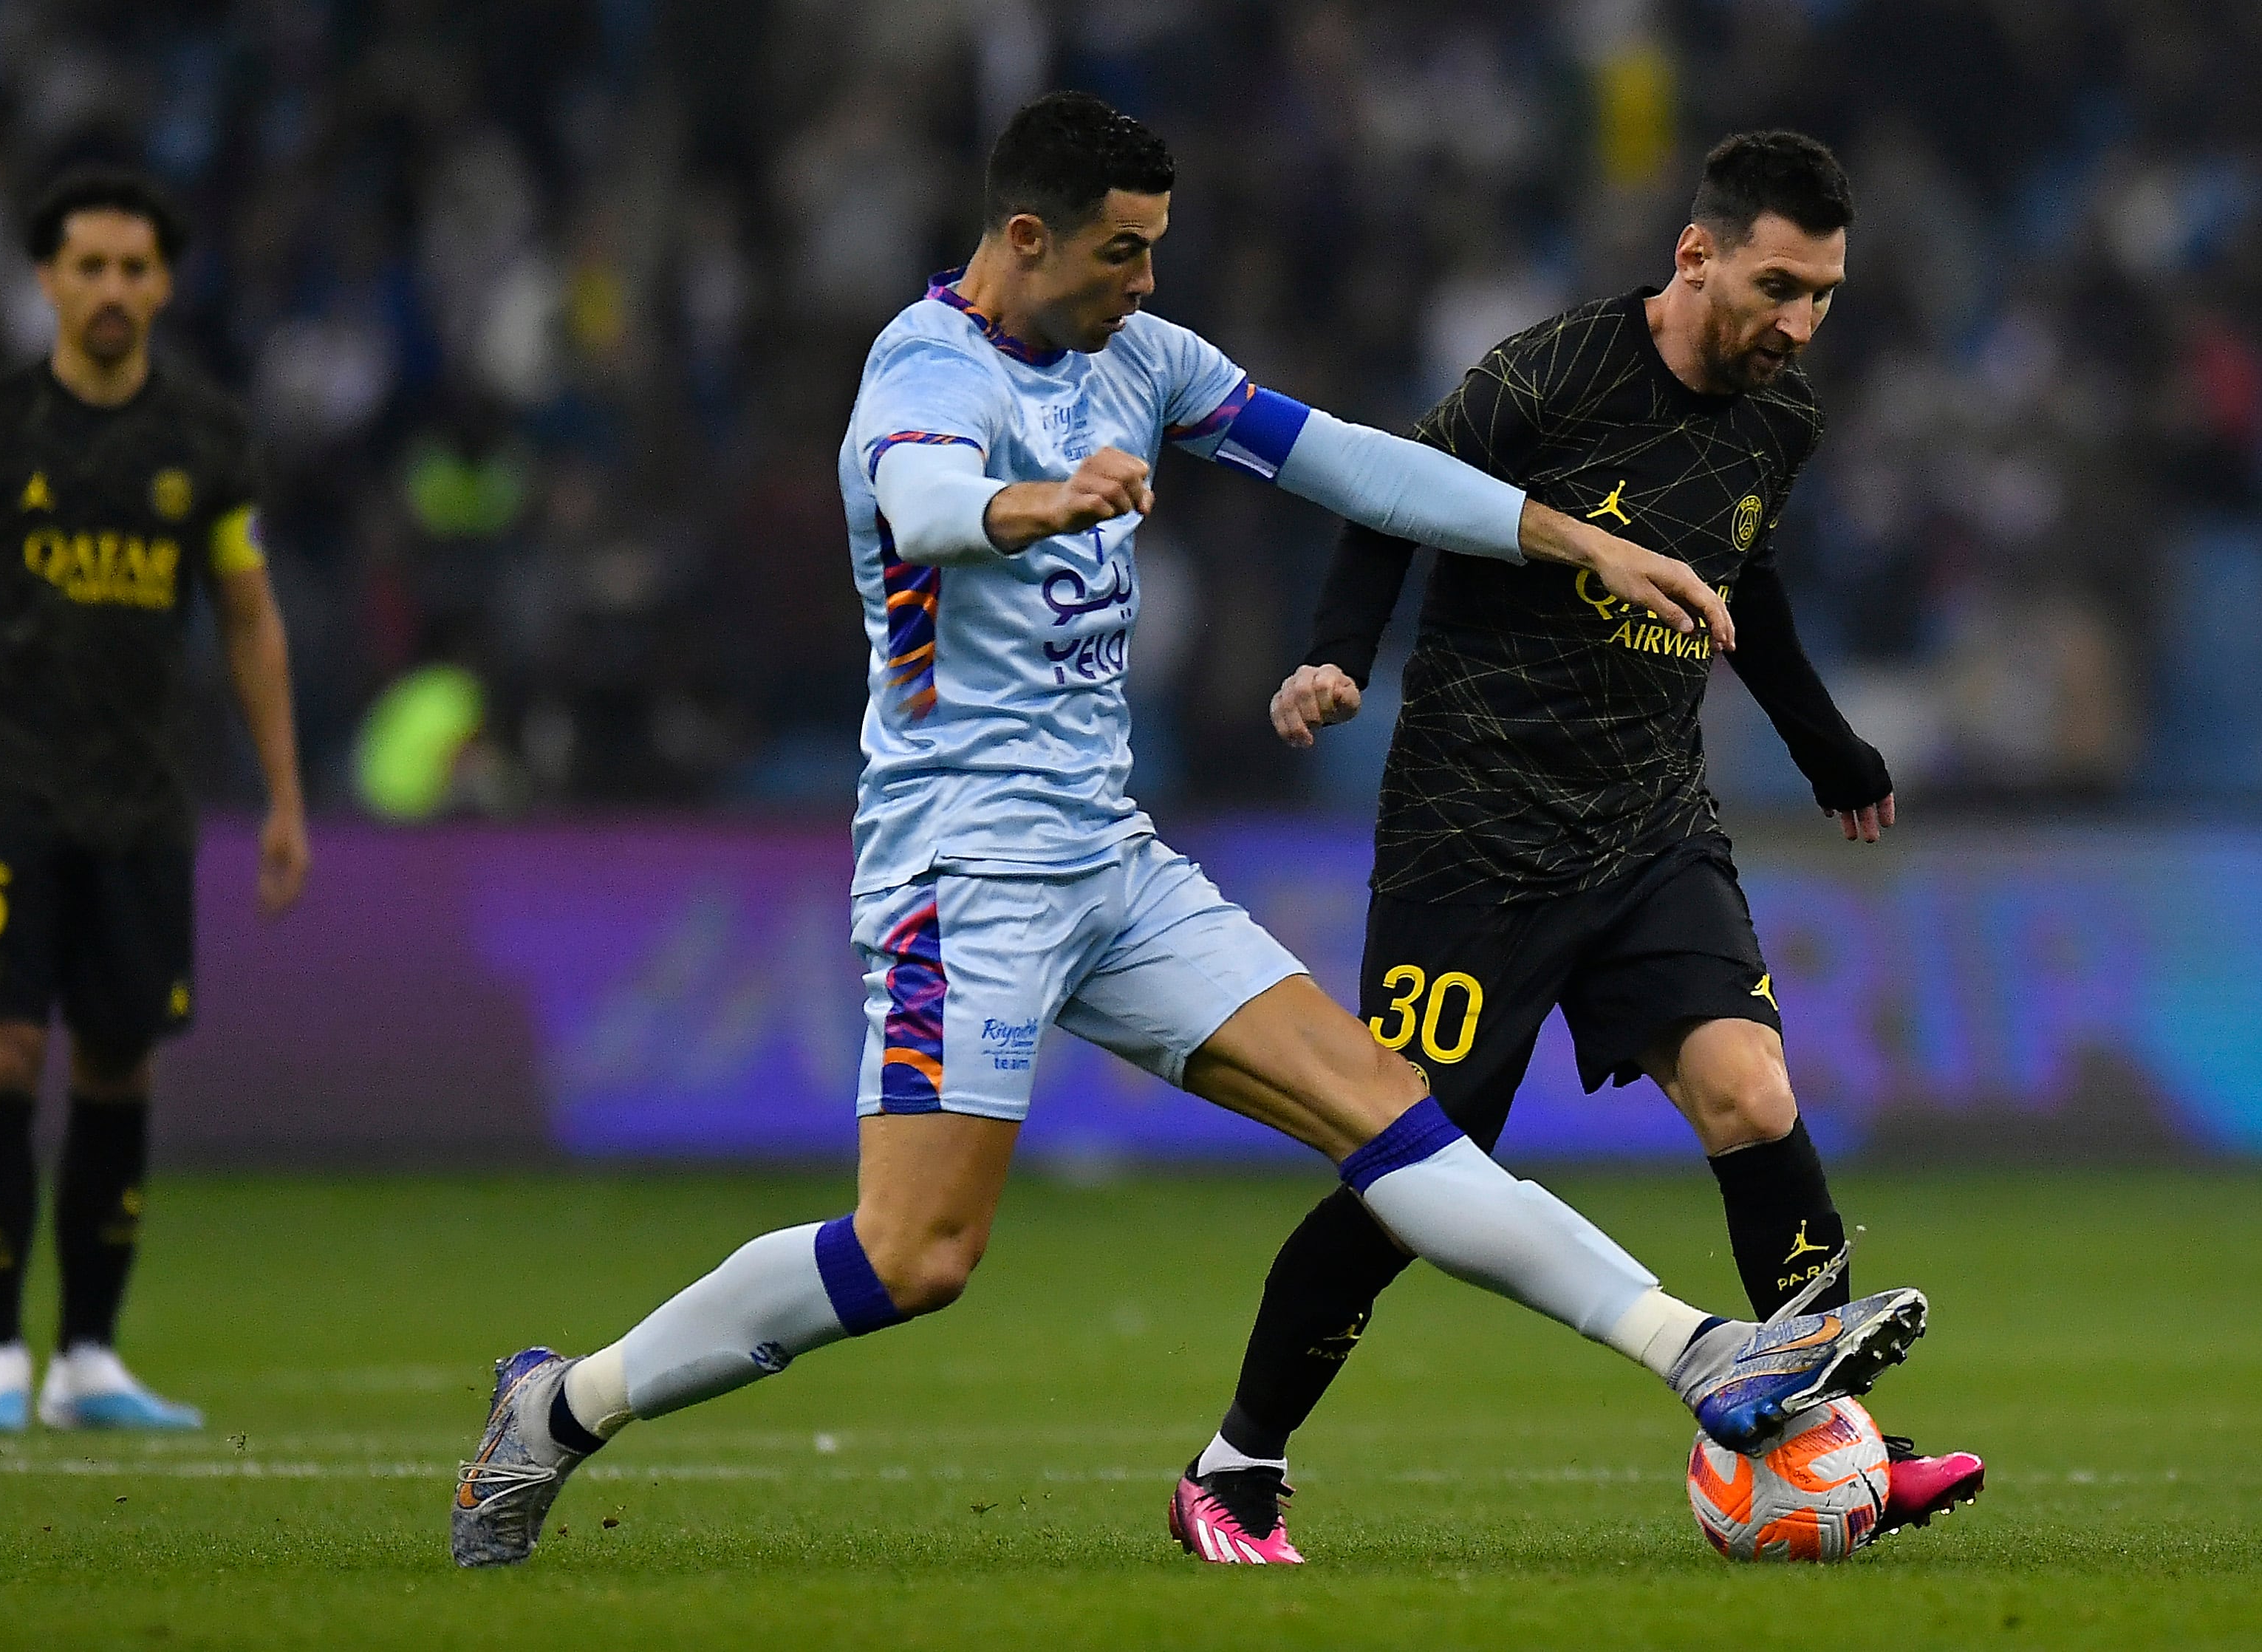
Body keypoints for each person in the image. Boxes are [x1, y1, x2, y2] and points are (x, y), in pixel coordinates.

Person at [448, 94, 1928, 1569]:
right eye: (1122, 252)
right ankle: (561, 1404)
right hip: (965, 871)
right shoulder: (925, 366)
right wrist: (1038, 504)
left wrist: (1579, 537)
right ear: (1027, 238)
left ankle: (1699, 1351)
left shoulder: (1144, 359)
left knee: (1391, 1114)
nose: (1147, 281)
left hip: (1111, 858)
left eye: (1155, 249)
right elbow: (924, 503)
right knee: (916, 1256)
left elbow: (1352, 462)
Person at [1170, 131, 1983, 1565]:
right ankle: (1236, 1464)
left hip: (1651, 828)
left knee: (1751, 1093)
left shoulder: (1780, 420)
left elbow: (1747, 578)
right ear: (1696, 255)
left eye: (1825, 297)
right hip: (1473, 838)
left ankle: (1843, 1443)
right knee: (1413, 1170)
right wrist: (1338, 654)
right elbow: (1387, 495)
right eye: (1780, 288)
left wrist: (1824, 742)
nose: (1801, 325)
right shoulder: (1549, 375)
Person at [0, 166, 310, 1433]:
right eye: (88, 266)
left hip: (141, 803)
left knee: (119, 1063)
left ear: (164, 285)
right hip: (3, 793)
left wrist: (284, 793)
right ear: (46, 279)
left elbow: (248, 616)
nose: (111, 289)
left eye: (133, 268)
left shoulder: (203, 438)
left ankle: (88, 1357)